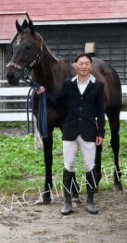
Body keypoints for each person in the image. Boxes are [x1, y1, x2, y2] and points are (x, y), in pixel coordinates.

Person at [36, 53, 105, 215]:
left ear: (90, 66)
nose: (83, 66)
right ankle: (67, 203)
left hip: (88, 131)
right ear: (76, 66)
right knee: (69, 166)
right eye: (80, 63)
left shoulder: (98, 86)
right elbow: (58, 102)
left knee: (90, 166)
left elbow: (101, 112)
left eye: (86, 63)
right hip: (70, 131)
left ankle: (90, 201)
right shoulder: (67, 85)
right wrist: (44, 93)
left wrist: (100, 131)